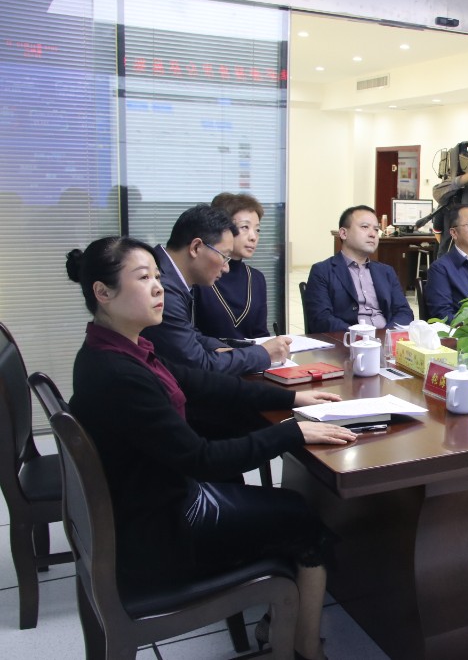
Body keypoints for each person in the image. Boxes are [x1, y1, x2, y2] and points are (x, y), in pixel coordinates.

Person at [66, 236, 357, 660]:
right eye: (143, 278)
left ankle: (279, 625)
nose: (159, 287)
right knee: (302, 519)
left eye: (157, 276)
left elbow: (202, 383)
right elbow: (202, 458)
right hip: (160, 530)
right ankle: (304, 649)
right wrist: (292, 432)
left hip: (151, 500)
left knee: (288, 506)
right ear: (103, 292)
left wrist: (292, 397)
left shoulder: (119, 348)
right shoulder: (118, 374)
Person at [142, 205, 291, 374]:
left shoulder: (168, 274)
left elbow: (189, 335)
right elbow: (199, 365)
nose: (226, 268)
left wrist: (231, 349)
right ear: (196, 247)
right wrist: (263, 354)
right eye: (224, 256)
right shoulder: (162, 287)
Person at [304, 205, 413, 333]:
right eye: (365, 227)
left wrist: (386, 335)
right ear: (343, 233)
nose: (373, 234)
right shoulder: (322, 271)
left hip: (386, 338)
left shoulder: (386, 272)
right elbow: (320, 319)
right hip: (346, 341)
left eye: (376, 229)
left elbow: (404, 312)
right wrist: (359, 336)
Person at [194, 192, 270, 340]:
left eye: (257, 230)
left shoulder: (257, 278)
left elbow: (261, 335)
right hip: (210, 354)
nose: (253, 237)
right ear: (224, 229)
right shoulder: (201, 276)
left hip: (252, 354)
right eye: (245, 227)